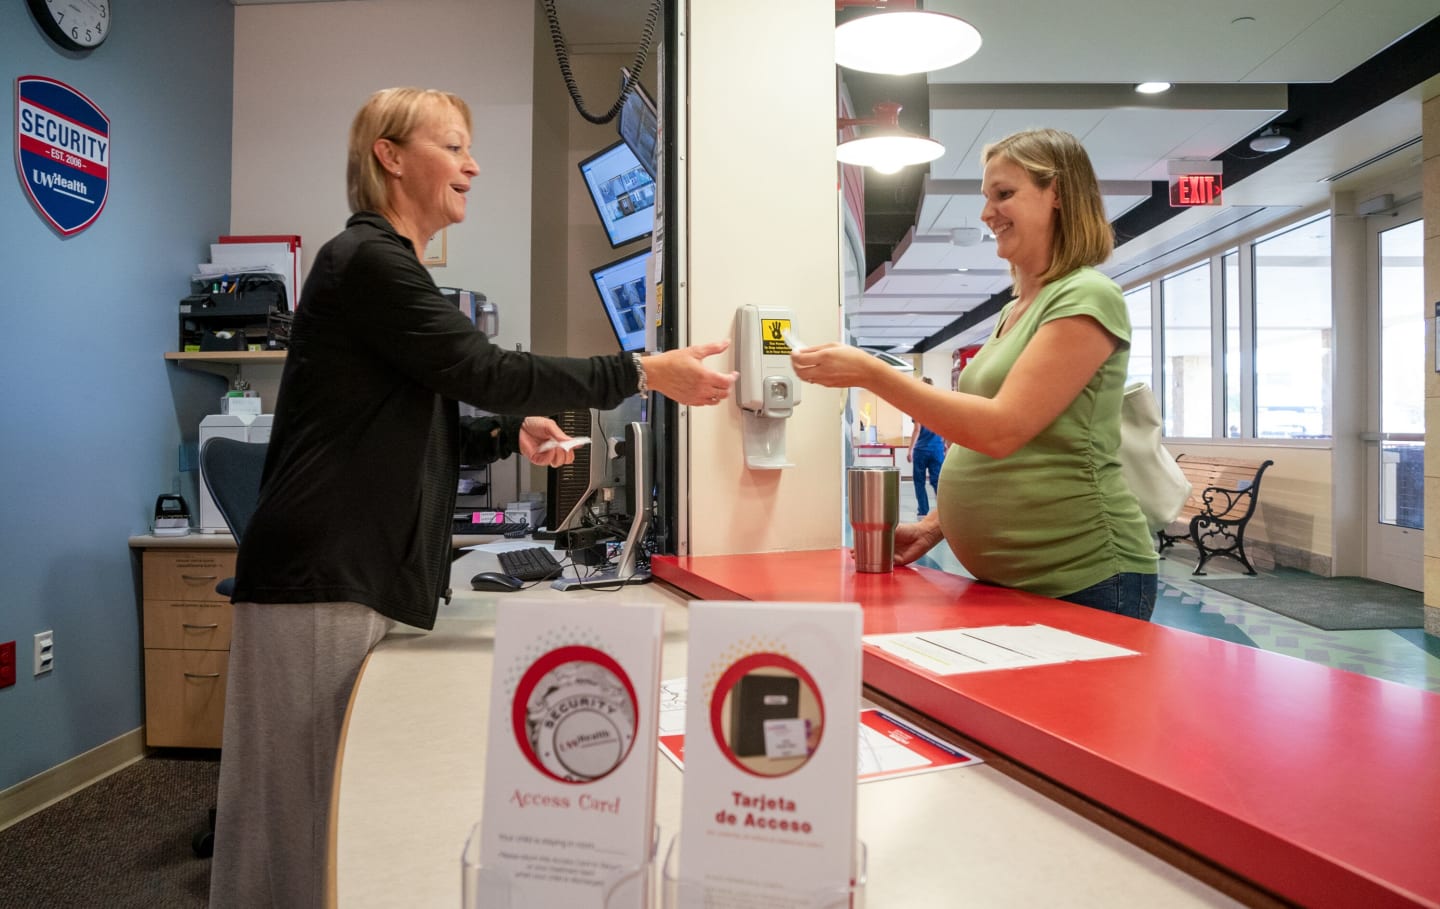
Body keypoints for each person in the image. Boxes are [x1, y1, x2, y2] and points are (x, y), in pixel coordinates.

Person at [208, 86, 737, 909]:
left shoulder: (386, 266)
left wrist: (501, 436)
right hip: (321, 574)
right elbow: (482, 368)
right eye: (453, 146)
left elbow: (413, 423)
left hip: (350, 573)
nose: (473, 164)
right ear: (389, 154)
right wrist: (635, 371)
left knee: (326, 813)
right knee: (298, 821)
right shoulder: (368, 259)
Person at [791, 127, 1157, 621]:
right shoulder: (1015, 311)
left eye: (1004, 194)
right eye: (987, 198)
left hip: (1083, 577)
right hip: (1012, 581)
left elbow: (1002, 429)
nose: (987, 213)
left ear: (1059, 196)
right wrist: (933, 526)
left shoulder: (1087, 296)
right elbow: (988, 438)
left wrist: (872, 373)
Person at [905, 377, 947, 517]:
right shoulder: (939, 406)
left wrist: (910, 449)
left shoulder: (918, 405)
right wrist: (945, 444)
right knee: (937, 481)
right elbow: (944, 428)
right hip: (937, 449)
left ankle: (923, 511)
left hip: (921, 450)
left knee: (919, 482)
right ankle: (942, 510)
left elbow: (917, 429)